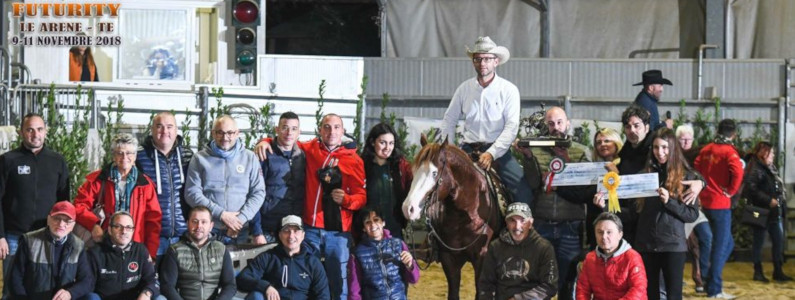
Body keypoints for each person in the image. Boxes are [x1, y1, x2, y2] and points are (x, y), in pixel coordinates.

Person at [254, 113, 367, 300]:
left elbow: (361, 197)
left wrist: (347, 200)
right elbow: (287, 140)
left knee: (338, 281)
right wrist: (265, 141)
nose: (331, 132)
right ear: (320, 130)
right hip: (309, 229)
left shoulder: (354, 160)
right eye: (327, 127)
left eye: (336, 127)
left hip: (337, 233)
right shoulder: (310, 148)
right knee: (305, 278)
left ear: (343, 131)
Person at [440, 36, 533, 206]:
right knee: (442, 187)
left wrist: (492, 153)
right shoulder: (464, 89)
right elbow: (449, 119)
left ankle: (521, 230)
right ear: (473, 62)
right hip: (468, 149)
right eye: (478, 59)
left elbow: (511, 126)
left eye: (487, 59)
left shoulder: (509, 90)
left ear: (496, 61)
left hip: (499, 152)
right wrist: (449, 150)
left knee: (523, 192)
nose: (482, 63)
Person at [515, 106, 590, 300]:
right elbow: (533, 184)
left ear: (567, 123)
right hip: (543, 224)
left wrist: (567, 162)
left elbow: (584, 191)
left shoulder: (581, 152)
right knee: (542, 281)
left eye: (559, 122)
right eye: (550, 123)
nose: (555, 127)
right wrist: (529, 158)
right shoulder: (536, 151)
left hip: (571, 227)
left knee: (567, 281)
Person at [0, 113, 70, 294]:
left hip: (46, 237)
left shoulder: (57, 161)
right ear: (21, 132)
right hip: (14, 237)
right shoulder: (7, 160)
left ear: (45, 132)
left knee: (43, 289)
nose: (35, 134)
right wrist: (0, 236)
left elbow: (64, 203)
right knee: (11, 289)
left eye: (39, 129)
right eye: (29, 129)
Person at [634, 128, 699, 300]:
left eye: (664, 147)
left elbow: (691, 215)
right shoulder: (644, 175)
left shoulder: (687, 177)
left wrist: (669, 201)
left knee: (673, 295)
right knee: (650, 294)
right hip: (646, 245)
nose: (660, 152)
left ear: (673, 148)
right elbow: (633, 212)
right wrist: (607, 205)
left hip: (673, 246)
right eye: (656, 147)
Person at [74, 133, 162, 258]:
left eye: (129, 153)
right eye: (120, 153)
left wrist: (150, 253)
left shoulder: (146, 185)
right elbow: (79, 206)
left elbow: (153, 222)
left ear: (135, 156)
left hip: (135, 246)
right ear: (113, 156)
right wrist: (93, 225)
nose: (124, 157)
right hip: (103, 244)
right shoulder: (98, 179)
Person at [185, 115, 265, 245]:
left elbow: (259, 193)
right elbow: (192, 193)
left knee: (239, 266)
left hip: (240, 229)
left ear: (237, 133)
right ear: (213, 133)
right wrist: (222, 215)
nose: (225, 137)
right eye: (220, 132)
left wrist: (239, 220)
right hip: (210, 229)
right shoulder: (199, 158)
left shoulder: (250, 158)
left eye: (230, 133)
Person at [694, 119, 744, 299]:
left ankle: (708, 278)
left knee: (726, 244)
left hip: (705, 202)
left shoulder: (706, 149)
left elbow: (696, 168)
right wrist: (730, 191)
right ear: (734, 134)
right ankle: (714, 289)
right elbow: (738, 173)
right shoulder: (730, 152)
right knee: (721, 246)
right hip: (720, 205)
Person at [136, 112, 194, 260]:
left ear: (176, 130)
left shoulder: (188, 155)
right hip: (153, 236)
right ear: (152, 129)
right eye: (159, 126)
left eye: (169, 127)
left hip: (183, 236)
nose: (165, 131)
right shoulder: (139, 157)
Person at [9, 201, 93, 300]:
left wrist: (70, 293)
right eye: (57, 218)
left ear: (73, 225)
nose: (61, 224)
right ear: (48, 219)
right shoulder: (29, 241)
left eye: (67, 221)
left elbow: (87, 281)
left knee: (91, 297)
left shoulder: (78, 246)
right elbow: (15, 279)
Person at [237, 215, 330, 300]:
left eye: (296, 231)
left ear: (303, 235)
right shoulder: (268, 257)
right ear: (280, 235)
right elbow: (243, 278)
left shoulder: (313, 263)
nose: (291, 236)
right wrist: (265, 287)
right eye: (286, 230)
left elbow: (323, 295)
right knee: (256, 296)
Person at [478, 202, 558, 300]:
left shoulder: (544, 248)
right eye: (512, 221)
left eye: (523, 220)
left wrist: (518, 299)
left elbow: (550, 286)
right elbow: (485, 284)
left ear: (530, 223)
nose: (517, 227)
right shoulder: (495, 247)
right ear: (506, 223)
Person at [250, 112, 306, 245]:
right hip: (268, 228)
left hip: (294, 229)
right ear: (277, 129)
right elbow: (253, 192)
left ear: (299, 132)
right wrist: (257, 231)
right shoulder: (264, 155)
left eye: (294, 129)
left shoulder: (303, 155)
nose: (289, 133)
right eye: (285, 127)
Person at [159, 205, 237, 300]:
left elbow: (230, 285)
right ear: (188, 224)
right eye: (194, 221)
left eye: (204, 222)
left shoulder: (221, 249)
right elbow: (167, 286)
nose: (199, 226)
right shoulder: (175, 250)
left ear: (211, 226)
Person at [742, 141, 792, 282]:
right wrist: (768, 200)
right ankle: (758, 272)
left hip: (773, 212)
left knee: (778, 240)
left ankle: (778, 270)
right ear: (764, 153)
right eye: (771, 153)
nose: (773, 155)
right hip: (761, 211)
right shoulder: (756, 169)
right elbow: (751, 189)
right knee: (759, 242)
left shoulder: (769, 167)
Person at [84, 212, 161, 300]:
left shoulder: (141, 250)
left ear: (133, 231)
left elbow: (152, 279)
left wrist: (147, 293)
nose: (124, 231)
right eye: (118, 226)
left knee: (160, 298)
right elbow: (86, 285)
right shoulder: (94, 253)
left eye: (128, 227)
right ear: (109, 230)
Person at [348, 208, 419, 300]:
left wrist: (410, 265)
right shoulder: (357, 254)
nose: (373, 224)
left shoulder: (399, 244)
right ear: (363, 228)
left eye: (376, 219)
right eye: (367, 222)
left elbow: (414, 279)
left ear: (383, 223)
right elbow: (354, 290)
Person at [358, 122, 413, 240]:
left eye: (391, 143)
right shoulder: (361, 165)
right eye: (382, 143)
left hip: (394, 228)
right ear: (373, 142)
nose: (387, 148)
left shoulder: (401, 167)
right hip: (369, 230)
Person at [576, 212, 646, 300]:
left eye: (609, 232)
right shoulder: (590, 258)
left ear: (620, 235)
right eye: (600, 232)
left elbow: (638, 290)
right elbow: (582, 290)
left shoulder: (632, 257)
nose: (604, 236)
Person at [676, 123, 712, 293]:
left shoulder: (697, 157)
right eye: (682, 139)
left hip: (695, 207)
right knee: (681, 244)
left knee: (706, 236)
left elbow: (703, 177)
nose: (685, 142)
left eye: (688, 139)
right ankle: (679, 276)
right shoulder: (673, 157)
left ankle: (702, 274)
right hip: (678, 208)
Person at [586, 127, 623, 249]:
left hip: (621, 225)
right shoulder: (593, 167)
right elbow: (582, 195)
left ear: (616, 142)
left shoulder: (626, 165)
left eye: (607, 141)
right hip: (597, 227)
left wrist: (618, 175)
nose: (602, 144)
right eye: (598, 142)